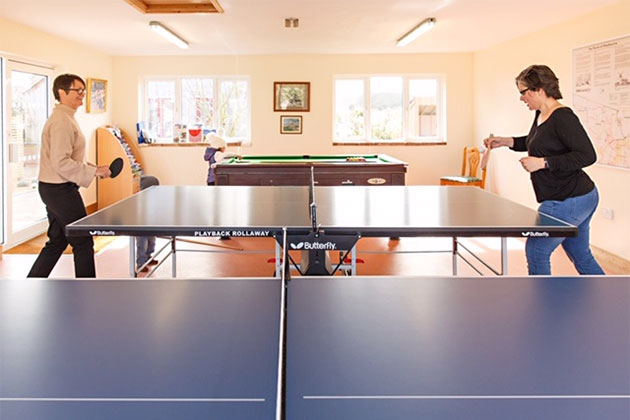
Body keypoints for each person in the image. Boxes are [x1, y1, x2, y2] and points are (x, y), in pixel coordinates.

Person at [484, 64, 604, 275]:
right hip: (576, 196)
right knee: (580, 254)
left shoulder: (563, 117)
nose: (522, 98)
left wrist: (543, 163)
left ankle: (542, 305)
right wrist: (506, 141)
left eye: (523, 92)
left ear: (539, 89)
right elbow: (536, 143)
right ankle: (612, 302)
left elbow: (587, 155)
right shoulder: (541, 114)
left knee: (536, 250)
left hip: (569, 198)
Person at [27, 74, 111, 278]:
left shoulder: (65, 117)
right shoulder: (62, 121)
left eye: (84, 90)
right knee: (82, 241)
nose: (82, 95)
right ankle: (86, 288)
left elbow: (67, 158)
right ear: (62, 92)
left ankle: (32, 281)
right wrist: (94, 171)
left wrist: (94, 168)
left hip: (53, 188)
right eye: (78, 91)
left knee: (57, 240)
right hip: (59, 190)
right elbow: (61, 162)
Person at [136, 175, 160, 272]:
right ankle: (141, 263)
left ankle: (148, 257)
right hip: (141, 227)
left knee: (151, 242)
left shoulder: (155, 199)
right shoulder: (139, 199)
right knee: (142, 245)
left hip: (151, 225)